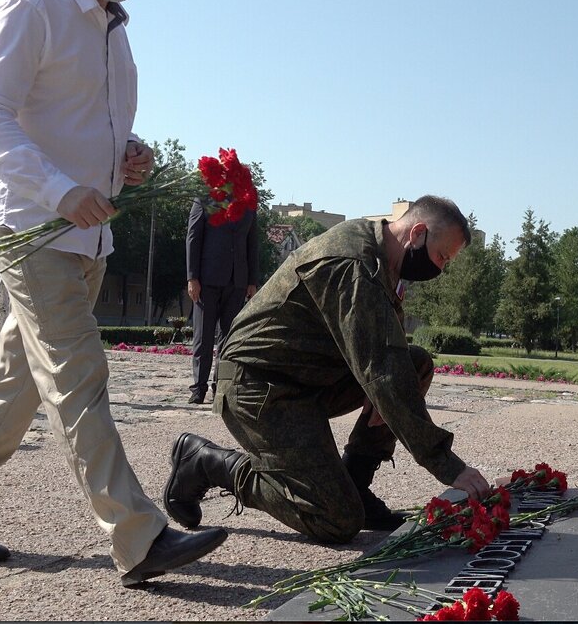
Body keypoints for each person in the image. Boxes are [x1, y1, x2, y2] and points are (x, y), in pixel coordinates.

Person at [0, 0, 227, 588]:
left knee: (10, 390)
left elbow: (83, 125)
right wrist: (60, 190)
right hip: (34, 230)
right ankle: (137, 535)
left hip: (88, 235)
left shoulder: (115, 33)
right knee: (81, 377)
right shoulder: (32, 7)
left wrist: (127, 156)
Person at [162, 196, 492, 542]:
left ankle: (355, 482)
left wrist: (384, 389)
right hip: (258, 386)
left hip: (305, 380)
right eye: (442, 256)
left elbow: (389, 357)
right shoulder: (354, 263)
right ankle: (207, 463)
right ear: (418, 233)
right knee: (335, 519)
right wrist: (446, 464)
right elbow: (381, 369)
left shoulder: (384, 259)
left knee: (414, 364)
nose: (440, 269)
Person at [185, 197, 259, 404]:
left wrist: (252, 281)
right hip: (206, 281)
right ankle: (199, 388)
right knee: (204, 337)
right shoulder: (204, 200)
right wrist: (192, 277)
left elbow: (252, 243)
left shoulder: (248, 205)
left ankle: (222, 387)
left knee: (229, 339)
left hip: (237, 282)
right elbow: (193, 238)